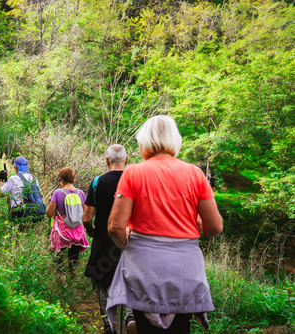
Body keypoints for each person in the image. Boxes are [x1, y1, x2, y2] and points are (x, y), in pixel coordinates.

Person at [106, 115, 223, 334]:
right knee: (180, 328)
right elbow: (214, 227)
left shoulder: (133, 172)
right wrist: (198, 225)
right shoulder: (196, 174)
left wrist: (125, 243)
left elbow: (115, 227)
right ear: (175, 140)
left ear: (144, 141)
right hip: (184, 269)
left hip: (144, 268)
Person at [83, 144, 136, 334]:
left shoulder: (98, 182)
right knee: (130, 279)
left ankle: (109, 324)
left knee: (103, 280)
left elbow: (87, 218)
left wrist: (91, 230)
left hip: (104, 241)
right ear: (127, 161)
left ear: (107, 161)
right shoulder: (135, 181)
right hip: (131, 241)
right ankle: (130, 316)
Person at [46, 167, 90, 278]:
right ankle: (73, 278)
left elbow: (49, 213)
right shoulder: (80, 193)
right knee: (73, 259)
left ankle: (62, 281)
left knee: (58, 258)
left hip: (62, 233)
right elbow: (85, 213)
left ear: (61, 179)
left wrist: (50, 203)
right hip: (77, 232)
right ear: (73, 178)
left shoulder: (57, 193)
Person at [0, 156, 43, 222]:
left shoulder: (13, 179)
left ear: (16, 167)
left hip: (19, 212)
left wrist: (1, 180)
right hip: (34, 212)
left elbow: (2, 194)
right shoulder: (34, 178)